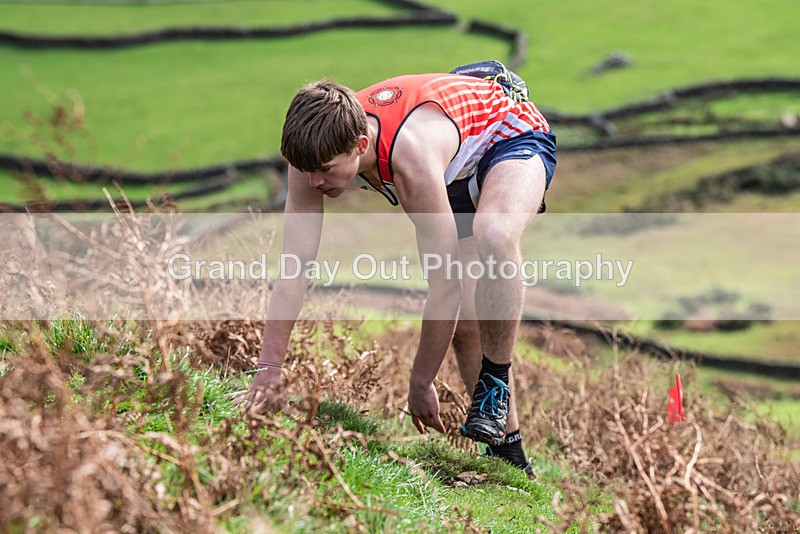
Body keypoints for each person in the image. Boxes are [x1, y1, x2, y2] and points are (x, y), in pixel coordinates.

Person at [243, 60, 556, 475]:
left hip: (506, 131)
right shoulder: (310, 150)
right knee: (463, 322)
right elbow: (294, 267)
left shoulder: (410, 160)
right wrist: (269, 371)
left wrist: (420, 382)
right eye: (307, 171)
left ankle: (494, 381)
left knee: (494, 233)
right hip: (455, 158)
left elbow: (441, 285)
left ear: (359, 145)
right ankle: (509, 453)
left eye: (325, 171)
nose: (314, 182)